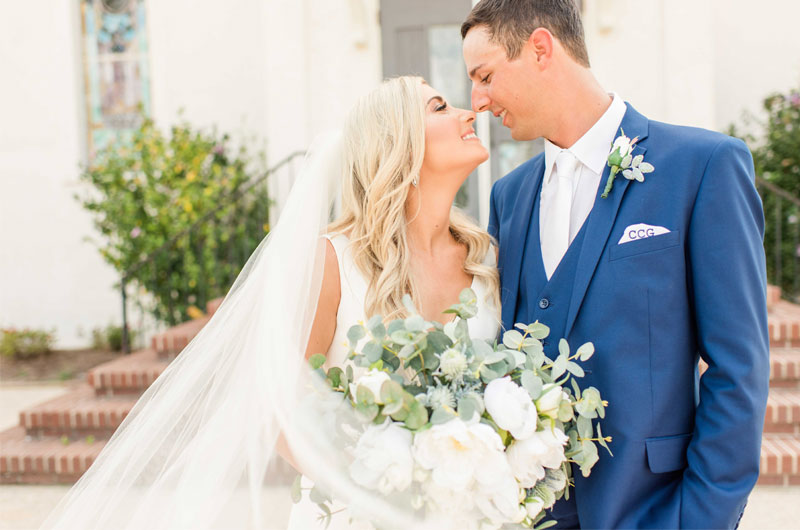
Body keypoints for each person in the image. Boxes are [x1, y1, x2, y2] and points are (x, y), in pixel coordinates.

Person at [41, 76, 501, 530]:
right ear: (399, 144)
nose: (467, 112)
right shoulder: (335, 262)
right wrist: (387, 497)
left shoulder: (484, 258)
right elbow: (281, 413)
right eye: (440, 106)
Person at [461, 1, 769, 528]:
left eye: (485, 75)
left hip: (652, 510)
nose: (479, 100)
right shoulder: (509, 198)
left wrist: (698, 519)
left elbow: (738, 369)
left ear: (540, 48)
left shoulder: (703, 166)